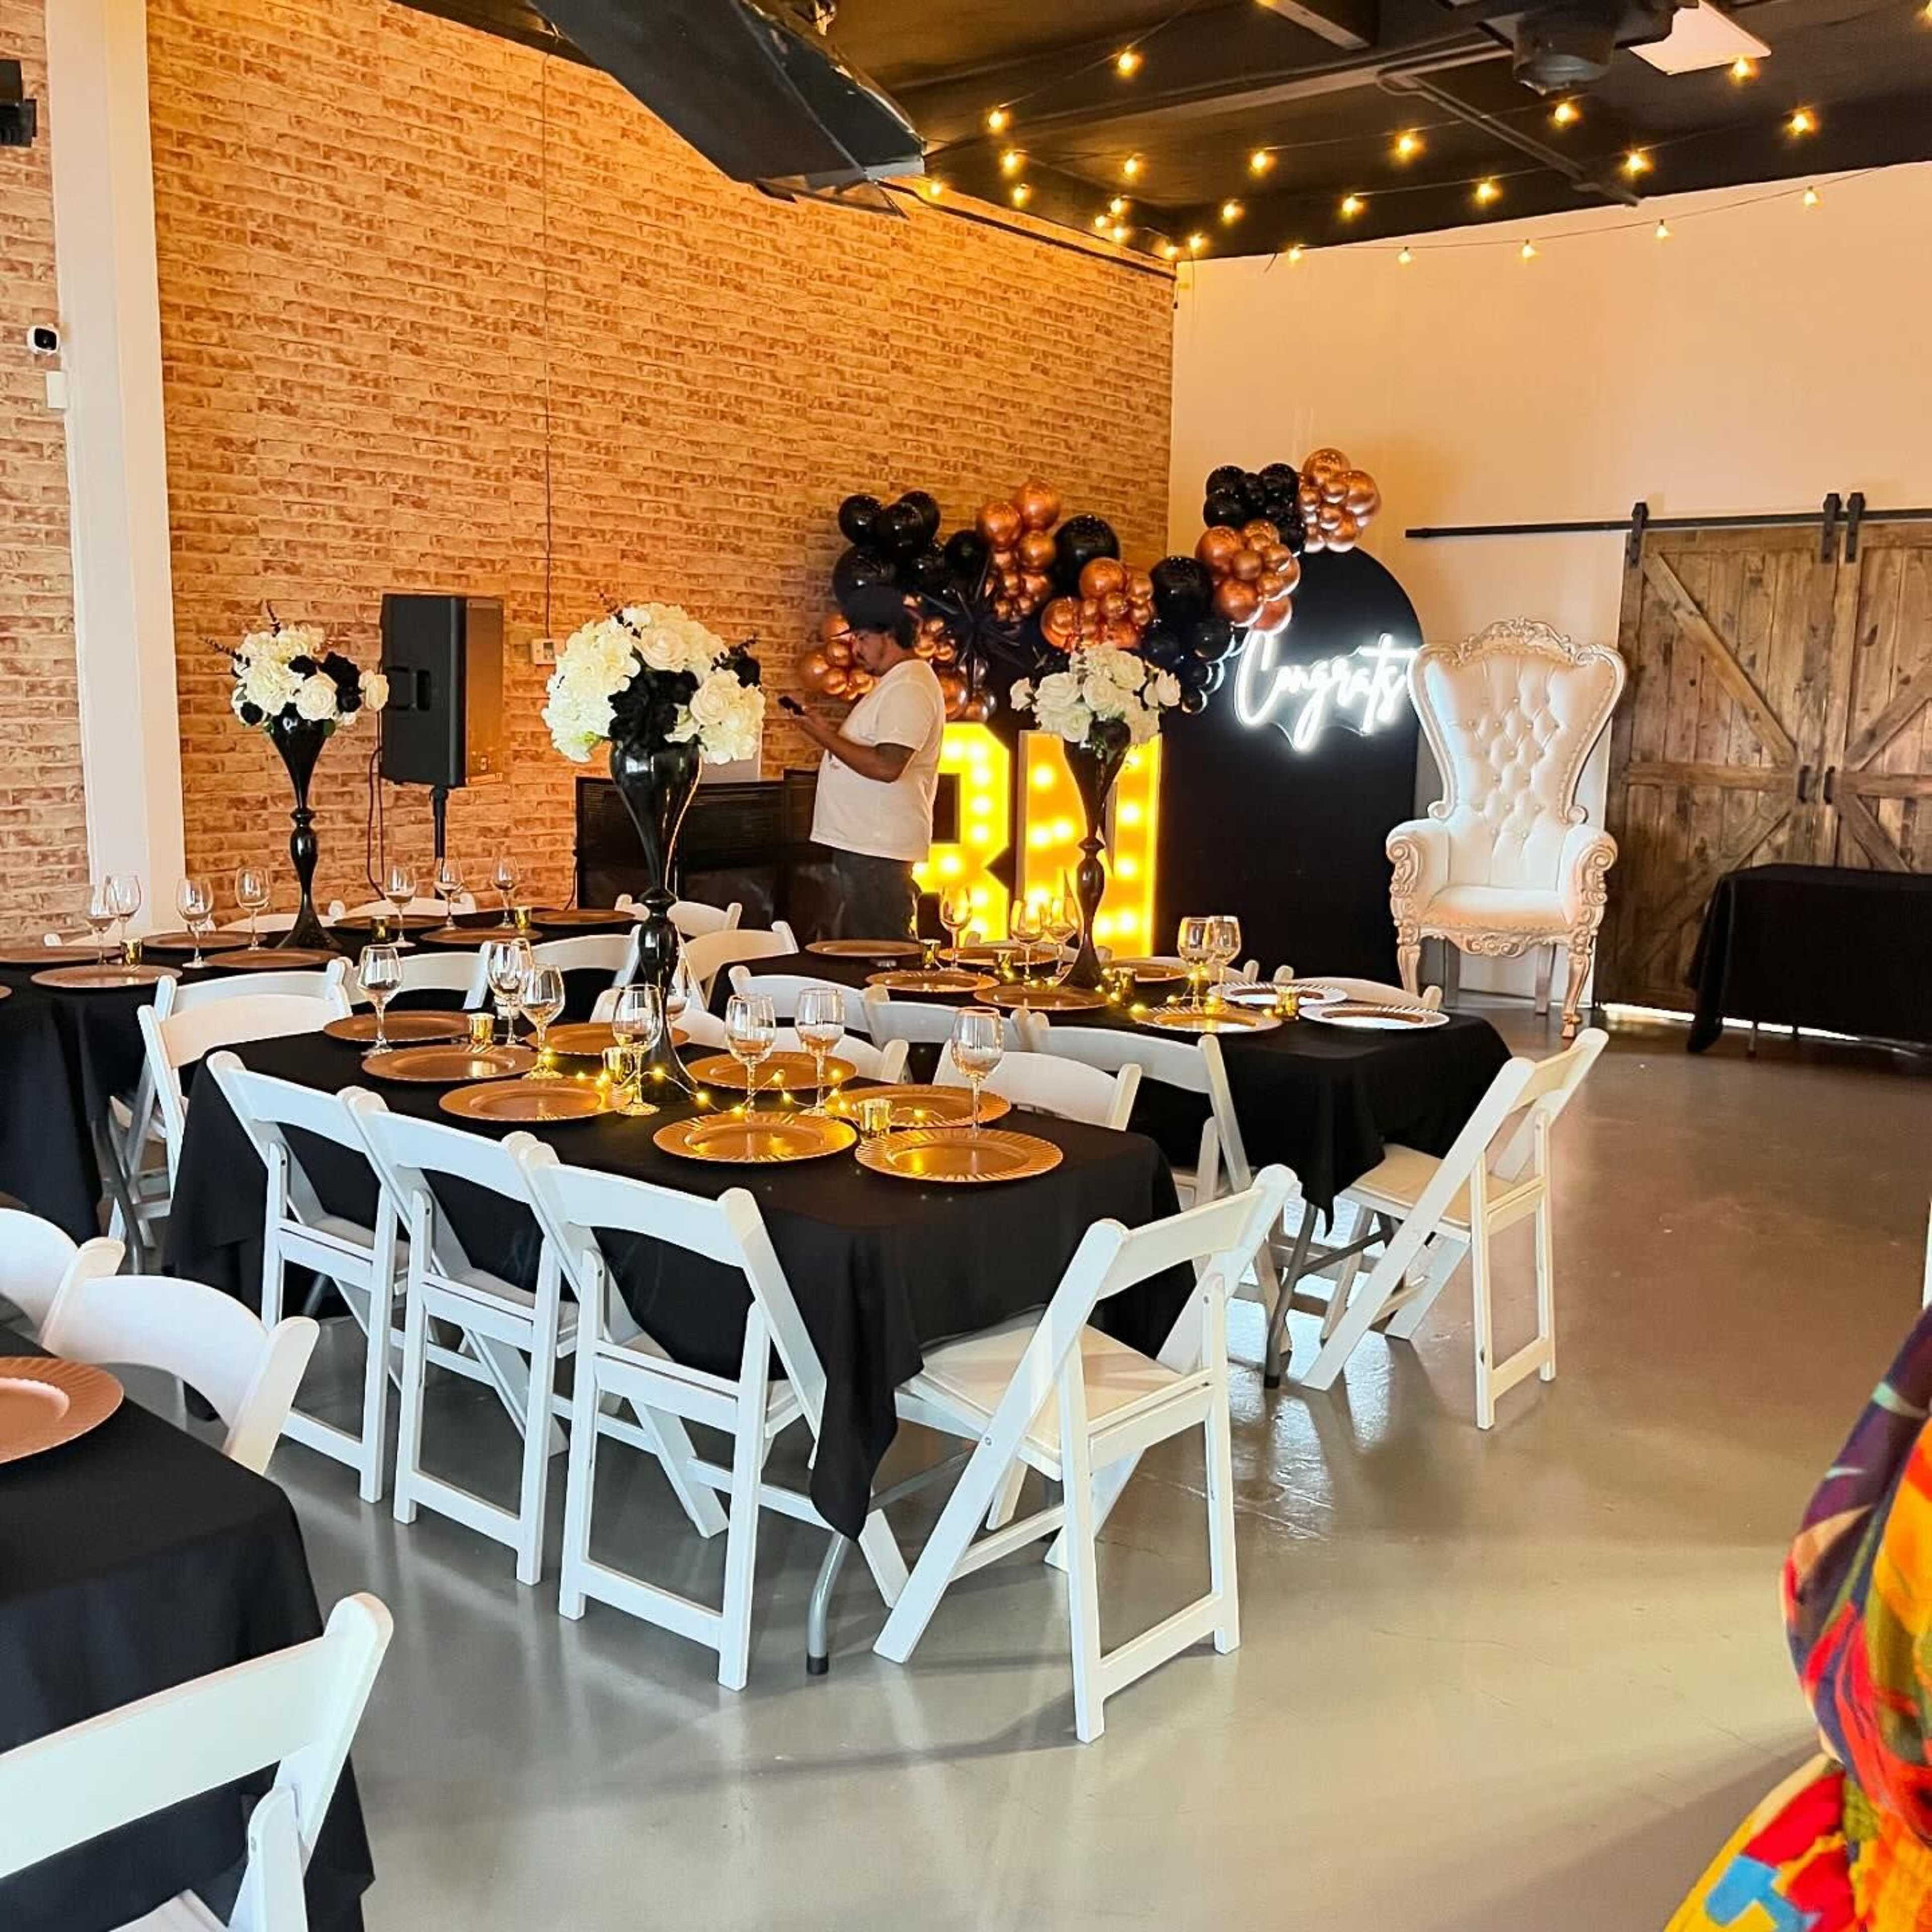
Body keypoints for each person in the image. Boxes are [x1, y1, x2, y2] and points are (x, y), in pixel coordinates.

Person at [787, 583, 946, 941]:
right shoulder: (896, 683)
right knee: (862, 952)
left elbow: (887, 767)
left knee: (880, 956)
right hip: (866, 846)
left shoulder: (911, 687)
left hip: (878, 850)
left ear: (887, 634)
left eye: (861, 638)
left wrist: (820, 733)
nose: (855, 649)